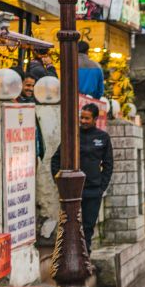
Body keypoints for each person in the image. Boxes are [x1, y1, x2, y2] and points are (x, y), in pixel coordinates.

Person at [50, 103, 113, 254]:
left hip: (93, 191)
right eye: (81, 118)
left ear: (95, 119)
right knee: (71, 226)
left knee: (88, 226)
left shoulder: (103, 138)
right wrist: (60, 183)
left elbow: (108, 165)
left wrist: (101, 187)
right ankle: (71, 257)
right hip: (72, 192)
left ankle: (85, 257)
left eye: (87, 118)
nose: (83, 121)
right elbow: (55, 160)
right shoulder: (72, 135)